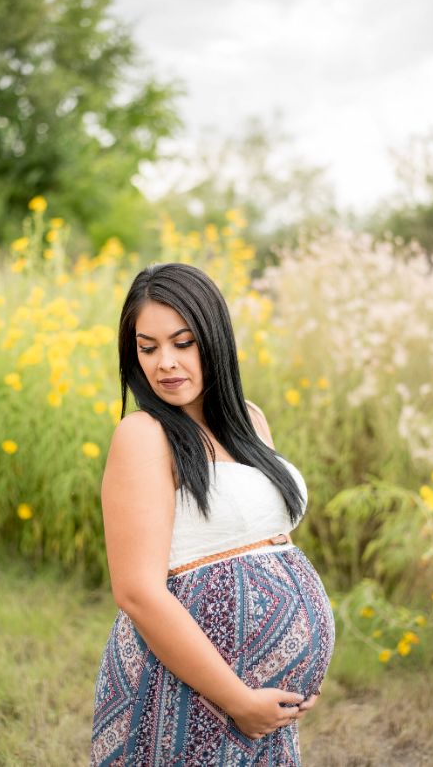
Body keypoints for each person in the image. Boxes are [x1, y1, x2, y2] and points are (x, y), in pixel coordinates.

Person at [91, 263, 334, 766]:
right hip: (188, 692)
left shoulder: (250, 419)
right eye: (148, 346)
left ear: (215, 339)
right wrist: (239, 700)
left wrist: (296, 665)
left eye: (183, 342)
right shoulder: (143, 435)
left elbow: (272, 543)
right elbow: (137, 591)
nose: (165, 363)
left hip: (260, 705)